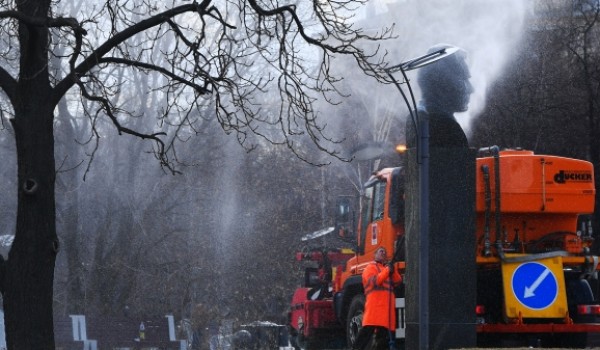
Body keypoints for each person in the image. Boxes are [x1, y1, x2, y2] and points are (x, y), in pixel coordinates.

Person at [405, 44, 474, 149]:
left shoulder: (416, 118)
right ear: (444, 84)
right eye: (463, 80)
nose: (471, 89)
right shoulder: (446, 127)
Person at [353, 247, 402, 350]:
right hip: (375, 309)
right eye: (381, 251)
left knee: (382, 340)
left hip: (386, 311)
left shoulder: (387, 269)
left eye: (385, 252)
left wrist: (393, 271)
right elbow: (375, 281)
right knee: (365, 334)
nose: (383, 253)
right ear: (374, 255)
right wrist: (388, 270)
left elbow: (398, 282)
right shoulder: (370, 268)